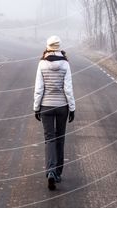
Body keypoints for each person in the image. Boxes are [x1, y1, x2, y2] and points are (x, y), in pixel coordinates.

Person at [33, 34, 75, 190]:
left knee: (49, 138)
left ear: (48, 47)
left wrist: (36, 107)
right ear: (59, 47)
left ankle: (50, 170)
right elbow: (68, 89)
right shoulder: (65, 64)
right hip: (62, 106)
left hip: (46, 106)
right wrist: (72, 108)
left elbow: (39, 89)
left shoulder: (42, 64)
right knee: (60, 138)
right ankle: (58, 172)